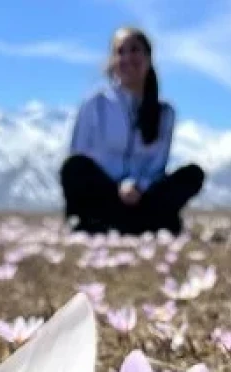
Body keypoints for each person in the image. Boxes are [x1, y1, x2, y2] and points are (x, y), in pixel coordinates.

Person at [60, 27, 205, 236]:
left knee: (192, 174)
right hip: (106, 193)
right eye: (120, 52)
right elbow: (79, 151)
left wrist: (139, 186)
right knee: (74, 167)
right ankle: (134, 224)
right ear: (112, 61)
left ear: (148, 58)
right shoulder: (95, 102)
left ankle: (115, 225)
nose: (127, 57)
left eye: (135, 50)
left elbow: (157, 165)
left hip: (142, 197)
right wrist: (117, 186)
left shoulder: (165, 112)